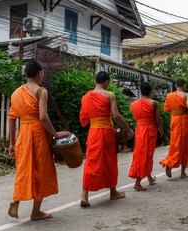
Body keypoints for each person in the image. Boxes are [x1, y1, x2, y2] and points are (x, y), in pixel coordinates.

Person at [7, 59, 70, 220]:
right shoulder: (41, 91)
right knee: (41, 171)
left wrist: (12, 143)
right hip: (38, 134)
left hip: (23, 135)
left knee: (24, 169)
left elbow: (12, 118)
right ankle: (35, 211)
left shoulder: (16, 93)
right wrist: (55, 134)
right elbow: (43, 117)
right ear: (40, 73)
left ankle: (16, 200)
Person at [79, 71, 134, 207]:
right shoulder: (109, 95)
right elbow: (116, 115)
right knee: (110, 161)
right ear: (106, 82)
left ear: (96, 81)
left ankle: (84, 195)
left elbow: (84, 119)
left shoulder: (86, 97)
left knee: (91, 161)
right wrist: (128, 130)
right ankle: (113, 191)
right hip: (107, 132)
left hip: (93, 132)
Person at [159, 78, 188, 178]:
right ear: (185, 86)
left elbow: (167, 109)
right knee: (185, 145)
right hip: (184, 121)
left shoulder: (169, 96)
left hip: (174, 120)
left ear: (175, 86)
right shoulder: (186, 95)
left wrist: (177, 111)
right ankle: (182, 172)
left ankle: (169, 163)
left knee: (174, 144)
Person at [129, 82, 163, 191]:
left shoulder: (134, 104)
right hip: (149, 130)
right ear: (150, 92)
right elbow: (158, 120)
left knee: (141, 153)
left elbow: (136, 117)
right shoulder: (154, 103)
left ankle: (149, 178)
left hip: (139, 129)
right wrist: (161, 131)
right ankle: (137, 182)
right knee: (146, 155)